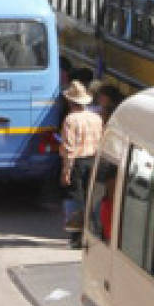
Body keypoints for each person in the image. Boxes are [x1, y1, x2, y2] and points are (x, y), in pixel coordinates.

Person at [60, 80, 103, 249]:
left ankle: (76, 237)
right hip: (94, 161)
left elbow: (69, 148)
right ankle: (92, 232)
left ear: (70, 101)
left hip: (77, 162)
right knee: (90, 197)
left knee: (75, 199)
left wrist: (66, 170)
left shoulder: (71, 119)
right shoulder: (96, 117)